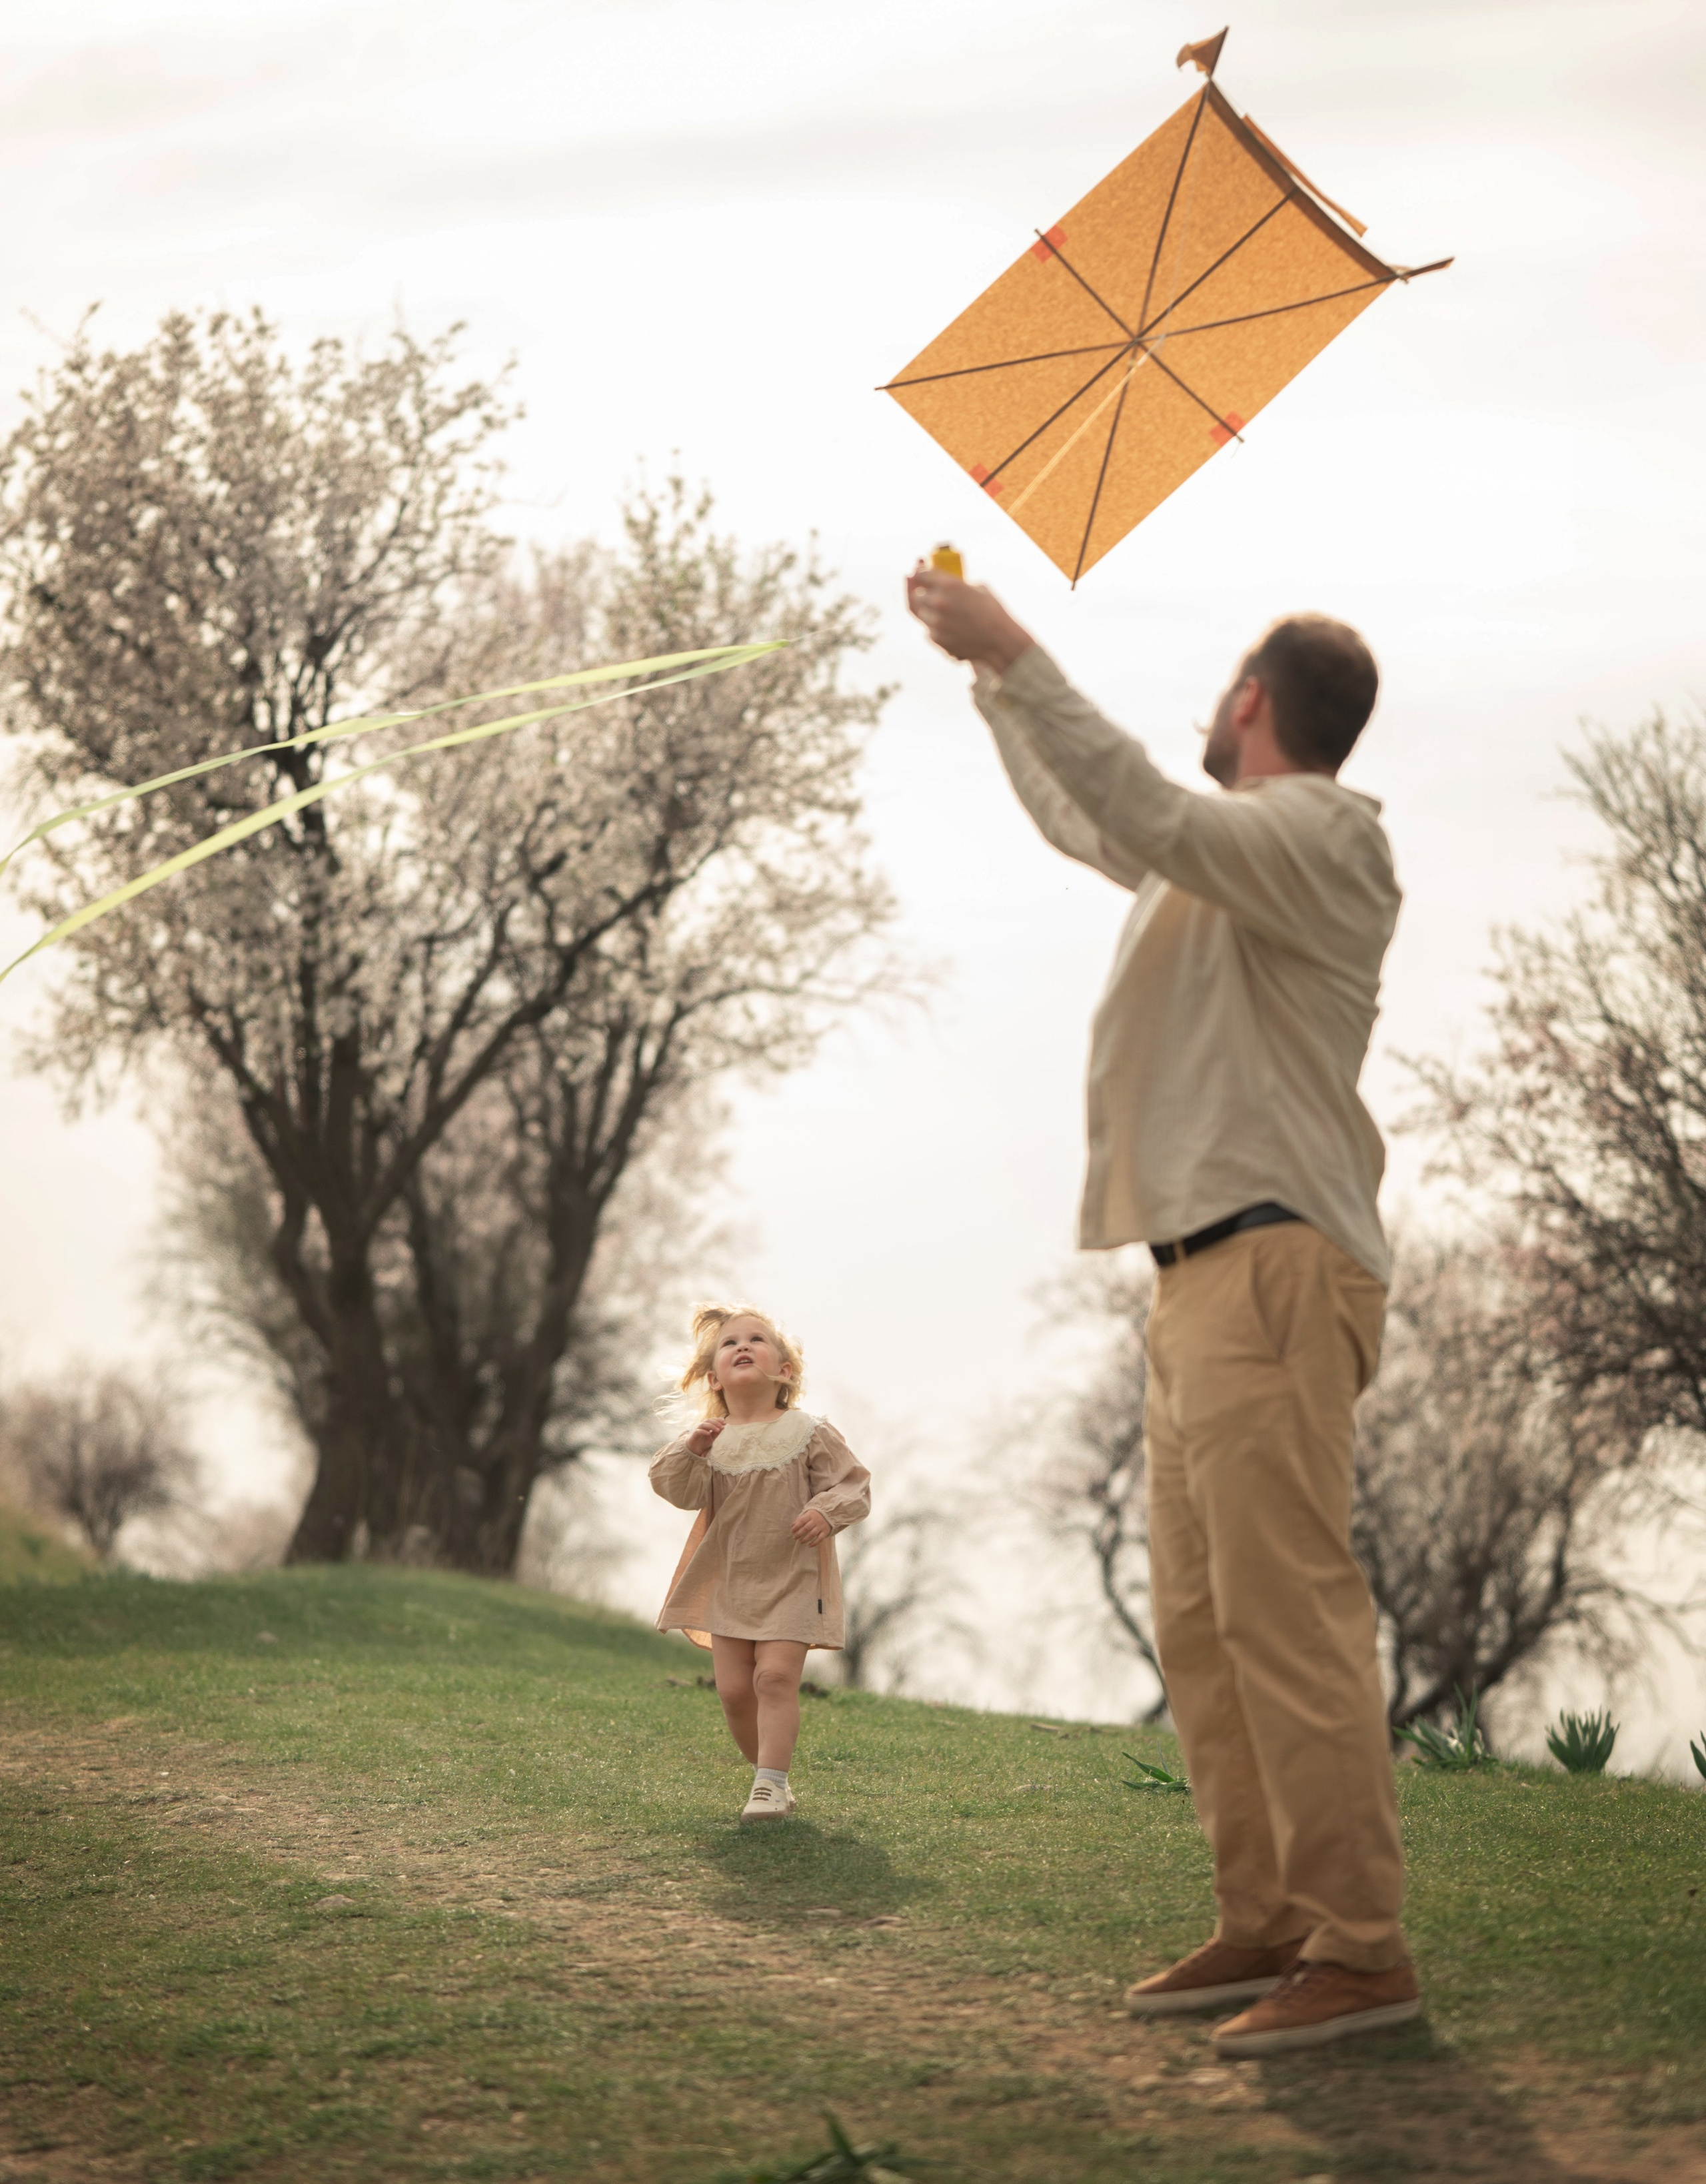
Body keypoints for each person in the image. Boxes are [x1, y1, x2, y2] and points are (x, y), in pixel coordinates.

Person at [906, 562, 1417, 2059]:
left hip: (1271, 1266)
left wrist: (1020, 643)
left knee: (1285, 1612)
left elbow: (1146, 806)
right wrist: (995, 684)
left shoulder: (1320, 837)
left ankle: (1360, 1948)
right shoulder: (1214, 861)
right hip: (1195, 1279)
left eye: (1216, 691)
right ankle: (1265, 1919)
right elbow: (1095, 815)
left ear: (1249, 703)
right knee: (1200, 1624)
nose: (1203, 710)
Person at [650, 1304, 871, 1824]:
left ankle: (768, 1786)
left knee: (774, 1680)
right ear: (713, 1377)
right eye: (730, 1344)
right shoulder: (711, 1440)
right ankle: (769, 1775)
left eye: (757, 1339)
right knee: (733, 1693)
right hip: (729, 1582)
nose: (742, 1346)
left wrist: (824, 1510)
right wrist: (692, 1449)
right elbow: (675, 1490)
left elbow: (853, 1485)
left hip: (793, 1579)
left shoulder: (808, 1431)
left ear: (785, 1372)